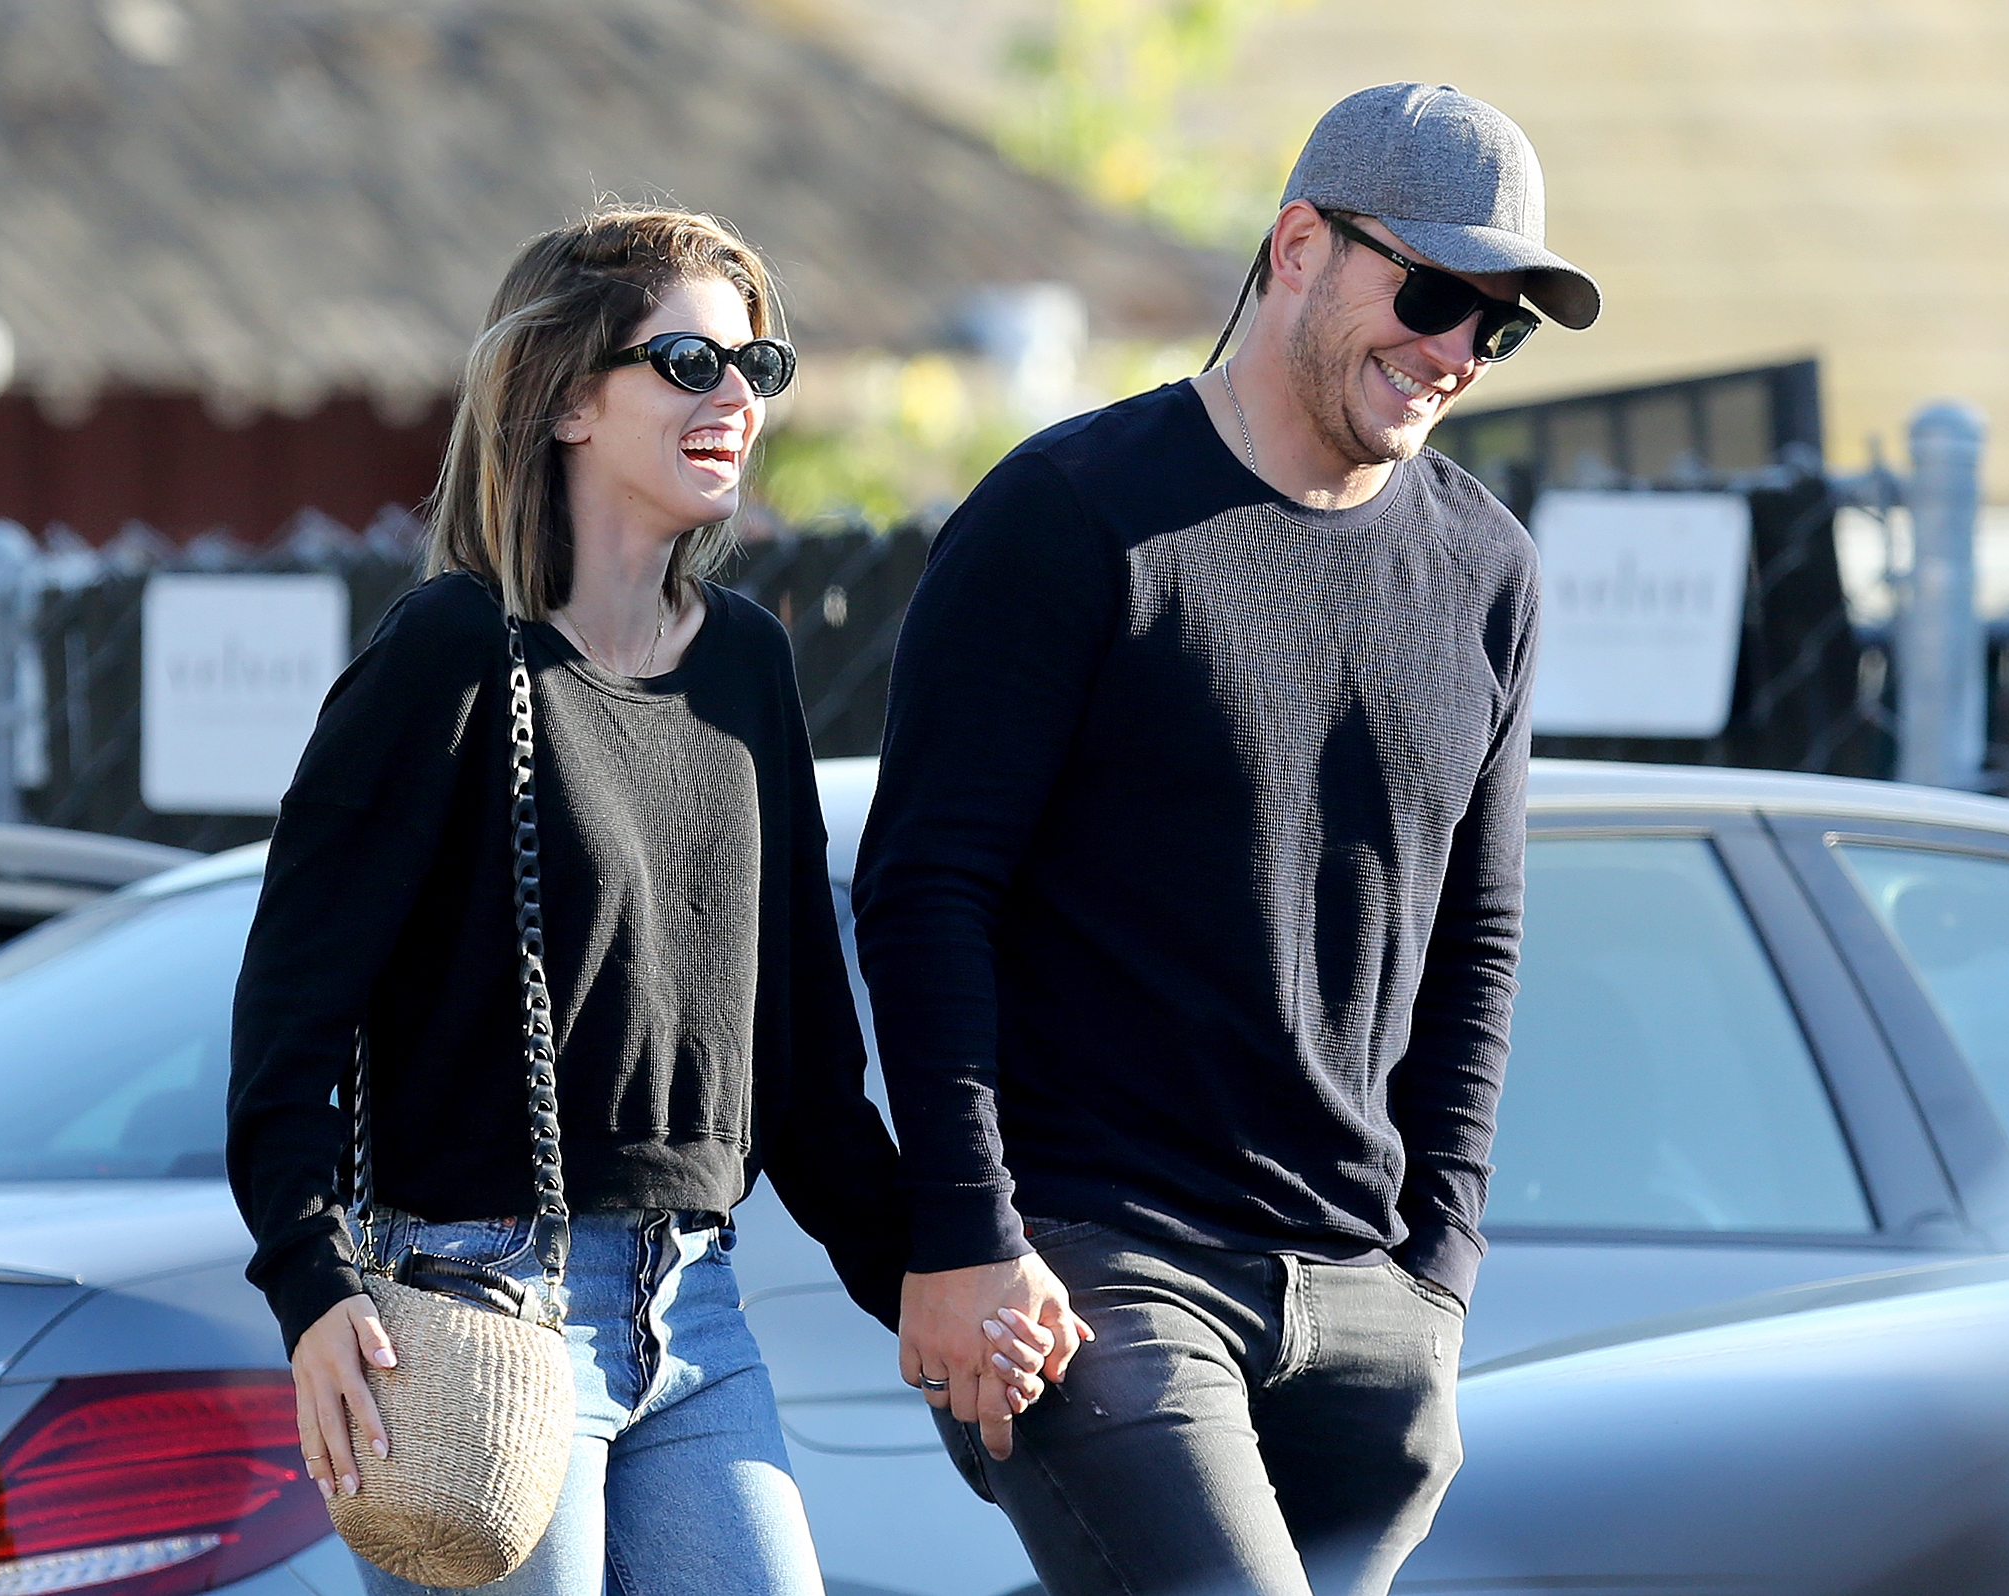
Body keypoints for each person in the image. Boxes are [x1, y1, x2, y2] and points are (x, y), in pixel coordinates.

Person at [226, 207, 1044, 1596]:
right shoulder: (450, 655)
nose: (735, 398)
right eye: (687, 363)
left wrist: (938, 1276)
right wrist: (311, 1284)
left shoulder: (748, 666)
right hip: (480, 1299)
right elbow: (290, 1015)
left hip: (696, 1305)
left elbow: (801, 1064)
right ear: (564, 399)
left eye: (755, 368)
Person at [852, 85, 1601, 1596]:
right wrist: (970, 1232)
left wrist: (1437, 1276)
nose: (1456, 351)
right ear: (1299, 247)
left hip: (1366, 1301)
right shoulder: (1067, 513)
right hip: (1102, 1277)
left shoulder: (1487, 569)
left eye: (1499, 326)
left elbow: (1477, 938)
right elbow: (925, 886)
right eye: (1433, 294)